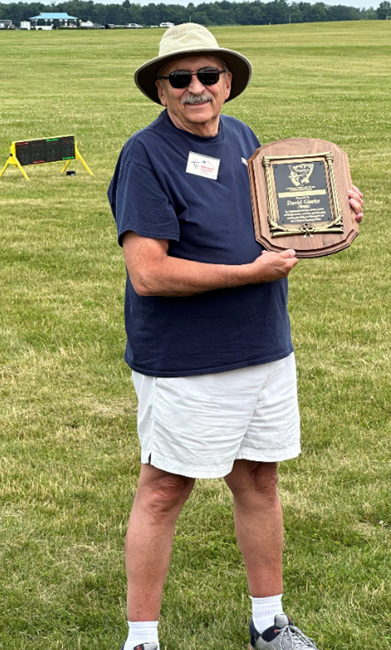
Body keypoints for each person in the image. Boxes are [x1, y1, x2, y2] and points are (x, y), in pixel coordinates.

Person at [108, 23, 363, 650]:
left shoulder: (246, 139)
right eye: (180, 78)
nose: (196, 88)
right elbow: (148, 273)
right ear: (161, 89)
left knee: (259, 481)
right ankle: (142, 639)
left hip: (264, 345)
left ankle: (268, 622)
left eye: (208, 75)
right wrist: (246, 274)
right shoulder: (145, 155)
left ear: (227, 82)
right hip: (187, 359)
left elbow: (280, 220)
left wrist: (334, 210)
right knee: (165, 488)